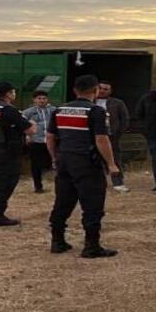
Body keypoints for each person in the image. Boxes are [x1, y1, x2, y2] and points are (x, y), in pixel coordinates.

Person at [46, 74, 119, 259]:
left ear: (74, 91)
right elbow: (101, 139)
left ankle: (57, 241)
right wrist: (111, 163)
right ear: (95, 91)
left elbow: (50, 137)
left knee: (62, 202)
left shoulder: (59, 110)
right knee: (92, 204)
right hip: (86, 162)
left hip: (64, 160)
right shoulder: (96, 112)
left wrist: (55, 157)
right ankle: (91, 246)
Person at [0, 81, 34, 227]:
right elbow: (29, 129)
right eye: (13, 92)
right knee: (5, 182)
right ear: (9, 94)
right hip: (6, 151)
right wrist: (32, 125)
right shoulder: (8, 110)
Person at [97, 80, 131, 193]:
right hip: (93, 136)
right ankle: (99, 183)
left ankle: (118, 183)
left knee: (114, 160)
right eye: (100, 88)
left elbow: (125, 119)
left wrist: (117, 133)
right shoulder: (90, 102)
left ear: (110, 91)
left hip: (111, 136)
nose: (102, 91)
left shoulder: (117, 103)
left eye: (105, 89)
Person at [22, 90, 54, 194]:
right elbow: (23, 125)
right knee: (35, 165)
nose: (41, 101)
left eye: (44, 98)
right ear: (34, 100)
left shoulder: (53, 110)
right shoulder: (28, 112)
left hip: (50, 141)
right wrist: (27, 136)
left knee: (52, 162)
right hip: (36, 141)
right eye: (39, 98)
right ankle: (38, 186)